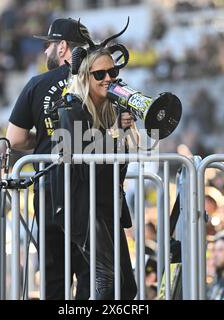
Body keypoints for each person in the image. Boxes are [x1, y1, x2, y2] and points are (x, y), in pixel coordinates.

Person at [5, 18, 92, 300]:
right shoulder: (101, 81)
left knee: (54, 280)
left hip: (50, 191)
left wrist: (43, 139)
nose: (45, 52)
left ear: (63, 47)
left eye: (49, 45)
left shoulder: (37, 83)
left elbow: (14, 139)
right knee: (92, 275)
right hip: (91, 190)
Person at [52, 30, 137, 299]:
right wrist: (114, 133)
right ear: (85, 77)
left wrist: (124, 133)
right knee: (107, 283)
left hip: (105, 204)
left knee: (127, 289)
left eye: (111, 72)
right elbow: (86, 165)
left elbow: (117, 166)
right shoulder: (72, 109)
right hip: (83, 207)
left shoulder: (111, 107)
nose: (108, 79)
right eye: (99, 74)